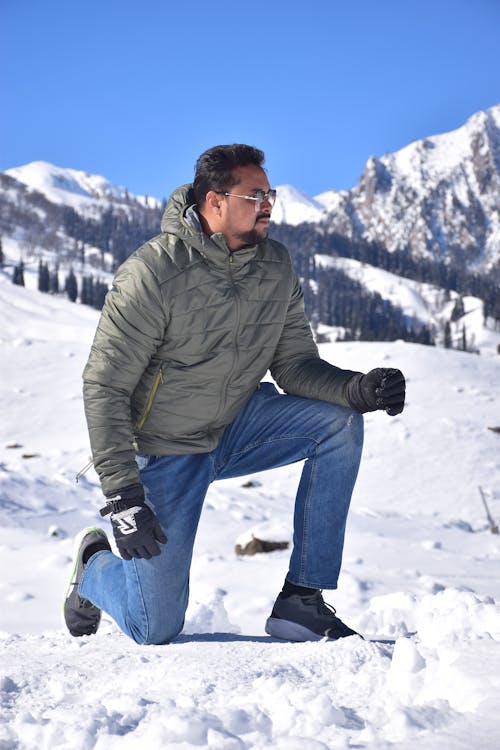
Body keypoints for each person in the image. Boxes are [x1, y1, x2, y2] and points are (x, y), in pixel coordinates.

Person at [64, 144, 405, 645]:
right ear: (215, 201)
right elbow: (105, 384)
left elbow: (294, 365)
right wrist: (122, 497)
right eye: (255, 194)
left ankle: (302, 600)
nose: (268, 203)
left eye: (271, 193)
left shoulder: (275, 265)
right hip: (166, 450)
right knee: (153, 626)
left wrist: (356, 388)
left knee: (338, 423)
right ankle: (94, 566)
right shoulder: (153, 273)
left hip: (236, 426)